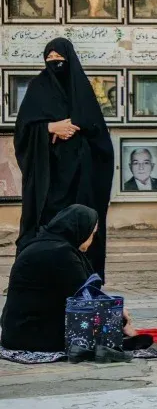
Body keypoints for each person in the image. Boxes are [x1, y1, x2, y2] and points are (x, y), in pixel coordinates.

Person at [14, 39, 114, 278]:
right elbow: (23, 131)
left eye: (59, 59)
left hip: (81, 178)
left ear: (69, 60)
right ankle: (32, 275)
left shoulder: (81, 90)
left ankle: (82, 275)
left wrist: (78, 136)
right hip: (48, 178)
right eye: (49, 59)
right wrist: (50, 128)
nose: (54, 63)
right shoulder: (38, 87)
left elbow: (100, 137)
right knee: (44, 224)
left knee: (81, 226)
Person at [1, 205, 139, 360]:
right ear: (81, 230)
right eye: (92, 233)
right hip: (34, 336)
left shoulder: (40, 244)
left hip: (15, 332)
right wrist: (120, 318)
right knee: (109, 332)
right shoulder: (62, 254)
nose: (92, 239)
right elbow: (84, 298)